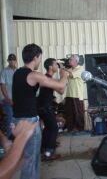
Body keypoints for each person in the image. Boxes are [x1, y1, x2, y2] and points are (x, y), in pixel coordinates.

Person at [12, 44, 69, 179]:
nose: (39, 61)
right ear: (36, 57)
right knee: (32, 161)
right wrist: (64, 74)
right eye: (39, 57)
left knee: (27, 159)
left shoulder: (17, 73)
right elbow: (61, 86)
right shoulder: (33, 75)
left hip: (17, 121)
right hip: (29, 123)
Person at [38, 58, 64, 161]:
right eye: (55, 64)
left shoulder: (48, 78)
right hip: (45, 107)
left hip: (43, 107)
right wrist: (64, 75)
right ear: (50, 67)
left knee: (48, 128)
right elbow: (61, 90)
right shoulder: (48, 78)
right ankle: (49, 152)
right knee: (53, 128)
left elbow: (60, 90)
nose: (57, 66)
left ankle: (43, 149)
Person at [64, 54, 85, 132]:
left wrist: (63, 68)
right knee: (69, 114)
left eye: (70, 60)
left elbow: (71, 75)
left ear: (76, 61)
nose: (69, 61)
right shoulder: (69, 69)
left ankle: (80, 130)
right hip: (69, 94)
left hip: (77, 95)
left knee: (78, 114)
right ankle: (70, 129)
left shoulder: (80, 69)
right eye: (69, 60)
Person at [0, 54, 18, 138]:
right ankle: (9, 139)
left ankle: (16, 137)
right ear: (8, 61)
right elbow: (3, 87)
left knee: (17, 119)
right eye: (10, 60)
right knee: (10, 118)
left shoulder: (18, 71)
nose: (12, 61)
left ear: (16, 61)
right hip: (8, 100)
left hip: (18, 100)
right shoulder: (4, 71)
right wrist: (8, 99)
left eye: (13, 60)